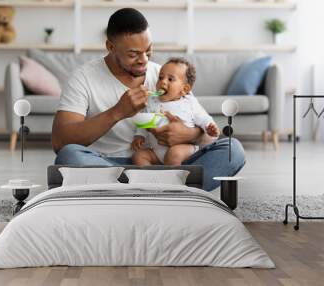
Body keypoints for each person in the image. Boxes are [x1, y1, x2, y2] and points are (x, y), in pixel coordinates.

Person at [51, 8, 245, 191]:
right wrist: (117, 112)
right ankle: (169, 190)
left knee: (232, 149)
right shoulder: (83, 78)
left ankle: (133, 192)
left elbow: (207, 132)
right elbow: (61, 142)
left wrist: (189, 134)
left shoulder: (164, 76)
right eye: (133, 54)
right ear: (111, 47)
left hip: (165, 162)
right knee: (70, 156)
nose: (144, 60)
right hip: (109, 164)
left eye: (148, 50)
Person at [131, 57, 220, 166]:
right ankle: (151, 178)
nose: (162, 82)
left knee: (174, 154)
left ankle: (173, 180)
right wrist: (140, 135)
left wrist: (209, 127)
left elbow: (203, 118)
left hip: (183, 149)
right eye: (160, 77)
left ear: (184, 89)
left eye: (170, 79)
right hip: (156, 152)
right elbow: (145, 119)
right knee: (139, 155)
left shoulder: (189, 103)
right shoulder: (152, 101)